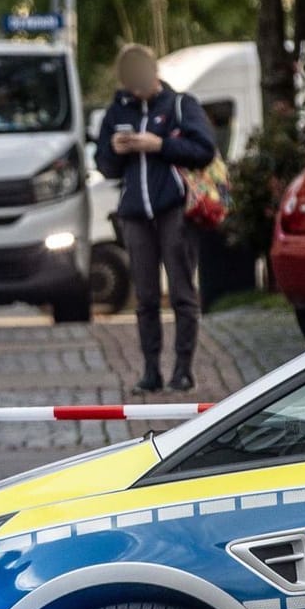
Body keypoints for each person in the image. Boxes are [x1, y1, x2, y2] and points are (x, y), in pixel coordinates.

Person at [94, 43, 217, 394]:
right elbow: (104, 165)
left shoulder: (179, 105)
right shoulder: (116, 112)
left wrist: (158, 144)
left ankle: (183, 369)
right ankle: (150, 370)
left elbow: (204, 150)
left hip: (174, 209)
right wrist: (115, 151)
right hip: (135, 213)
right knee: (145, 297)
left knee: (182, 292)